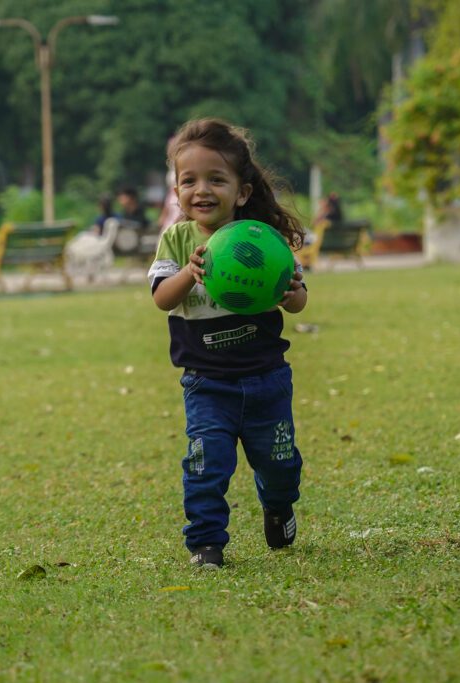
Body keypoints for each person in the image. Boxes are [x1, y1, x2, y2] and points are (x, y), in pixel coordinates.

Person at [148, 118, 308, 569]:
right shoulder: (176, 240)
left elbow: (296, 301)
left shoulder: (261, 240)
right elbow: (162, 299)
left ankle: (277, 505)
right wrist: (189, 272)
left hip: (266, 380)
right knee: (204, 467)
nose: (202, 189)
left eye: (216, 179)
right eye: (189, 180)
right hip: (207, 383)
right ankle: (206, 544)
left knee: (280, 465)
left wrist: (292, 292)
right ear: (176, 192)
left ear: (241, 191)